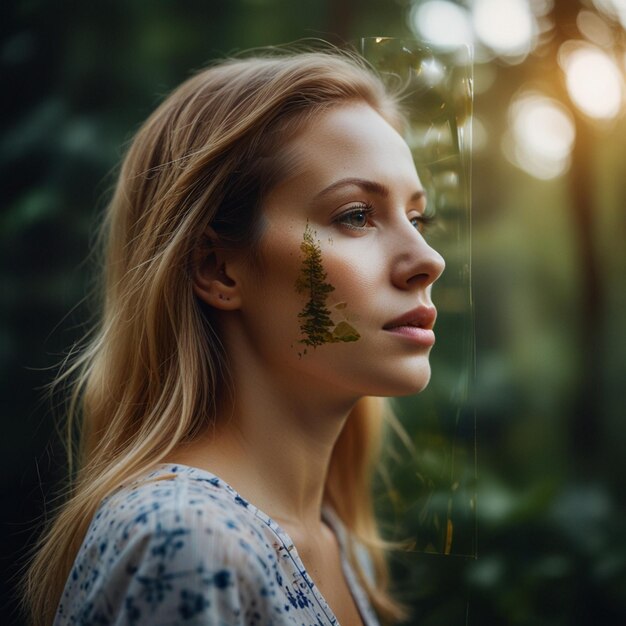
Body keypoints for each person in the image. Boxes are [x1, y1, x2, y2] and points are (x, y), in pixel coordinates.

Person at [23, 46, 445, 626]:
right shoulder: (186, 543)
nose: (427, 260)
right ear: (218, 269)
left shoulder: (339, 546)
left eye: (417, 219)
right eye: (355, 215)